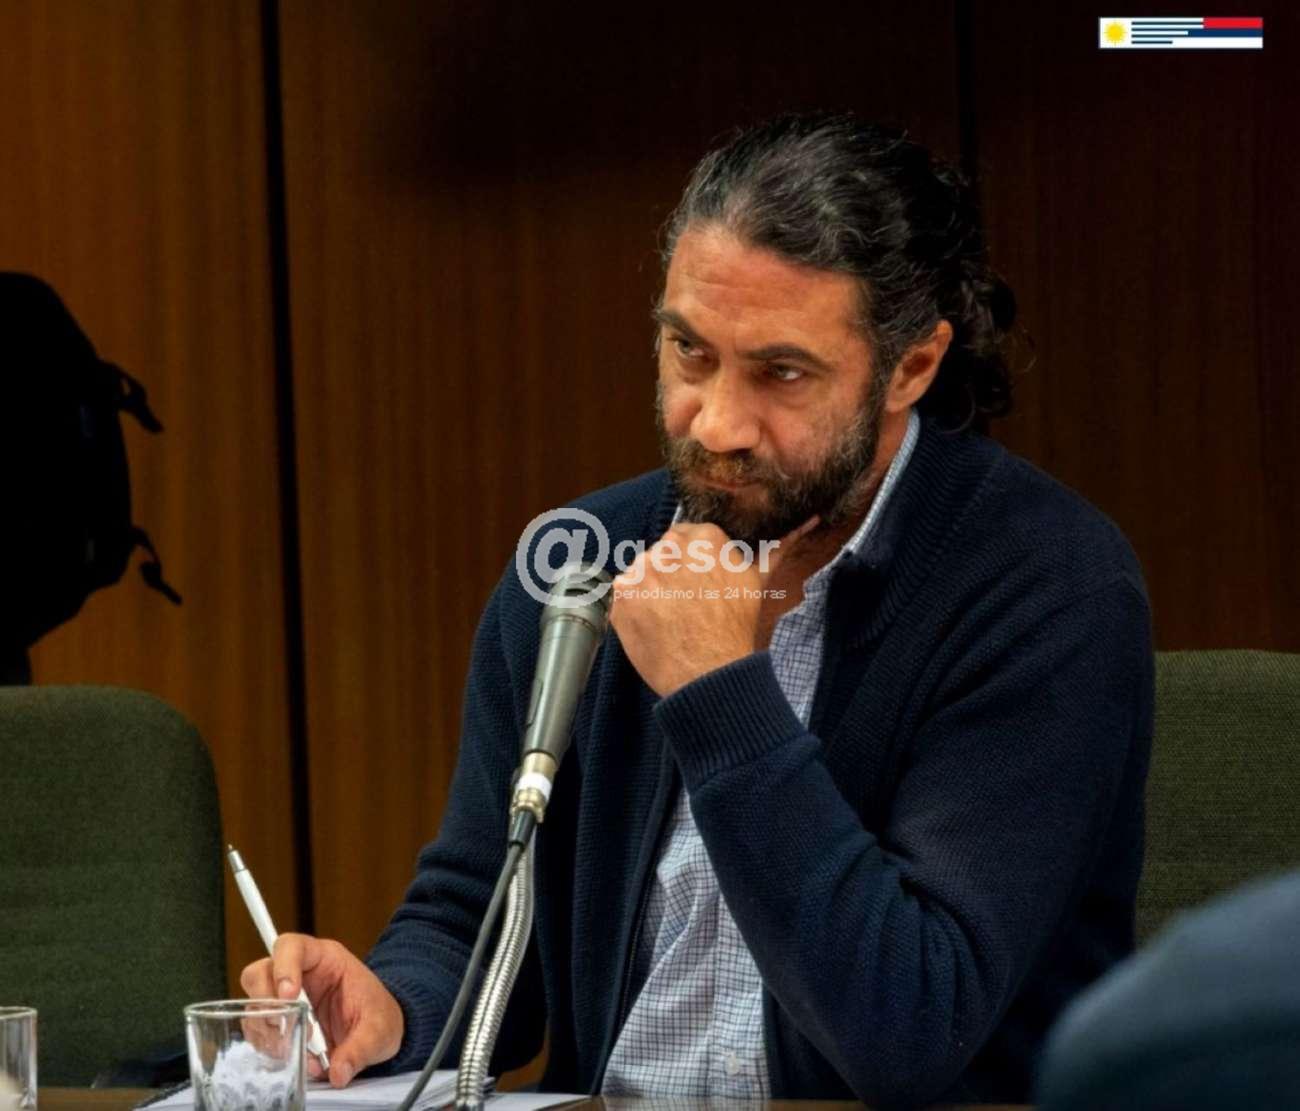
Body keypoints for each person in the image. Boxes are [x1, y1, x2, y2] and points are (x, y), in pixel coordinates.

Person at [241, 113, 1154, 1107]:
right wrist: (398, 1005)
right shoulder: (580, 563)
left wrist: (721, 691)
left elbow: (910, 1026)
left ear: (911, 367)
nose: (715, 423)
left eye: (780, 372)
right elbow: (480, 913)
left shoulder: (1043, 585)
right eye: (688, 351)